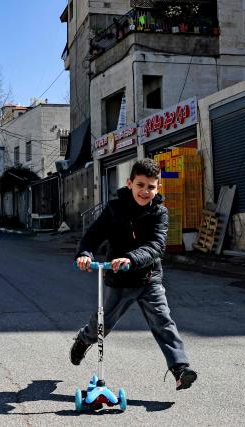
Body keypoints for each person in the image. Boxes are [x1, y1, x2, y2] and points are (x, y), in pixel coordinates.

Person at [72, 158, 197, 391]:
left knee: (163, 322)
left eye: (151, 186)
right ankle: (84, 339)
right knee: (103, 324)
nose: (145, 191)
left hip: (148, 279)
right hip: (118, 281)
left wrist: (130, 259)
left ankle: (180, 369)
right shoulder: (114, 209)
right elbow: (94, 234)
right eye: (140, 185)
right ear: (130, 183)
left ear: (158, 187)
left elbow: (157, 246)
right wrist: (86, 254)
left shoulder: (160, 213)